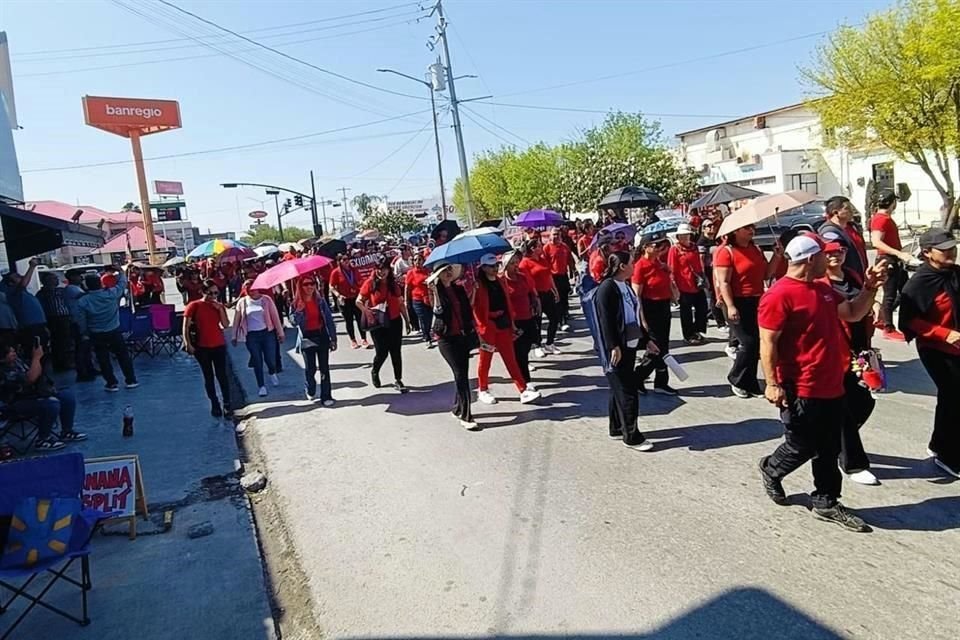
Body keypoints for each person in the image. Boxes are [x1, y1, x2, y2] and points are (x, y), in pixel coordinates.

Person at [757, 234, 885, 532]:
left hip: (833, 382)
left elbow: (853, 312)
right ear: (810, 260)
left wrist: (870, 287)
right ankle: (771, 468)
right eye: (823, 255)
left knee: (828, 447)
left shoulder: (823, 290)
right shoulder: (779, 295)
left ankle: (826, 500)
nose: (830, 260)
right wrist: (772, 383)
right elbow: (768, 342)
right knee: (802, 444)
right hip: (799, 386)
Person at [898, 228, 960, 478]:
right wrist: (944, 333)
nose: (951, 252)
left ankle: (939, 445)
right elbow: (909, 321)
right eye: (944, 248)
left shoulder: (955, 273)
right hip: (935, 348)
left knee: (953, 399)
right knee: (953, 397)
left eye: (953, 247)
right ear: (927, 253)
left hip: (957, 347)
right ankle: (948, 455)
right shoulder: (919, 282)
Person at [823, 241, 879, 486]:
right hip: (835, 349)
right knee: (844, 406)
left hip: (859, 344)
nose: (836, 255)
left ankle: (834, 439)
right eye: (830, 252)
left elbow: (862, 304)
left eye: (840, 251)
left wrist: (874, 301)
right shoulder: (819, 284)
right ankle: (853, 462)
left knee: (864, 401)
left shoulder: (853, 275)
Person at [594, 250, 659, 451]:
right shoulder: (607, 288)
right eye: (632, 262)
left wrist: (646, 340)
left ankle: (617, 427)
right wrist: (613, 346)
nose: (634, 265)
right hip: (617, 348)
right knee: (627, 391)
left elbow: (633, 316)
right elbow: (606, 321)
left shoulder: (626, 287)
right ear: (622, 266)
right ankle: (631, 436)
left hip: (630, 344)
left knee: (618, 389)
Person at [714, 224, 778, 398]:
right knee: (748, 343)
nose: (752, 231)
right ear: (736, 230)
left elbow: (766, 274)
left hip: (756, 299)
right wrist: (731, 305)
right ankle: (736, 378)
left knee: (757, 343)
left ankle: (750, 382)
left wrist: (777, 256)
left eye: (752, 228)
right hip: (736, 301)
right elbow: (724, 282)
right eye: (747, 228)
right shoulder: (726, 252)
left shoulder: (755, 249)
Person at [473, 254, 541, 405]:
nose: (494, 268)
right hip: (487, 328)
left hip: (503, 325)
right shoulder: (478, 285)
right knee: (485, 361)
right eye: (491, 266)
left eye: (496, 265)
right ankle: (483, 389)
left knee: (511, 360)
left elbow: (507, 304)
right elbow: (474, 307)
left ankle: (523, 390)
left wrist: (513, 325)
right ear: (483, 268)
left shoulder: (500, 281)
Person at [0, 338, 86, 450]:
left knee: (66, 396)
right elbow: (30, 378)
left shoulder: (17, 362)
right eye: (10, 352)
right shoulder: (3, 371)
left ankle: (66, 431)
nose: (14, 353)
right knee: (51, 404)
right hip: (13, 404)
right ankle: (43, 439)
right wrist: (37, 357)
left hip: (32, 395)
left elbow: (36, 373)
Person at [429, 263, 478, 429]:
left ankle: (458, 408)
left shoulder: (458, 289)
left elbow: (467, 308)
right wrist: (435, 292)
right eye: (444, 271)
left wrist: (475, 291)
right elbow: (438, 312)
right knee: (461, 375)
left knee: (462, 374)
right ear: (438, 276)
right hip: (447, 340)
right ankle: (467, 416)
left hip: (462, 336)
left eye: (450, 270)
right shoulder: (436, 293)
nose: (449, 273)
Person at [77, 267, 138, 392]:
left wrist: (84, 332)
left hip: (96, 333)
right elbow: (122, 283)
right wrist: (120, 271)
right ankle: (130, 380)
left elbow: (81, 320)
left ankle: (111, 383)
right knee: (123, 356)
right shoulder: (111, 294)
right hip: (114, 330)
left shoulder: (83, 301)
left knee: (103, 359)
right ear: (100, 283)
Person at [632, 232, 677, 395]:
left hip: (663, 306)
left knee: (664, 346)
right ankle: (637, 377)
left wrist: (669, 275)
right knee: (656, 348)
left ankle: (661, 382)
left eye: (662, 246)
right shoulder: (640, 266)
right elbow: (636, 296)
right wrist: (642, 319)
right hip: (649, 308)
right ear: (646, 247)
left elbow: (671, 289)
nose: (660, 249)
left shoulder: (660, 264)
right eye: (656, 246)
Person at [358, 255, 410, 392]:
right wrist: (367, 311)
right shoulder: (370, 283)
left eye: (384, 269)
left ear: (389, 270)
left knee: (396, 352)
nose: (382, 272)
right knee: (382, 352)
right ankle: (375, 371)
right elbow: (359, 301)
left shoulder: (394, 284)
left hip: (394, 321)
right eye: (379, 269)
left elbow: (400, 303)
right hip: (378, 323)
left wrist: (407, 320)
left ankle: (398, 380)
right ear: (375, 270)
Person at [183, 279, 232, 417]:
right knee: (208, 376)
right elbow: (185, 326)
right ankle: (215, 403)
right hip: (202, 346)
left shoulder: (218, 306)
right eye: (210, 293)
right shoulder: (194, 305)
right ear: (203, 292)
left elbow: (226, 324)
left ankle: (227, 404)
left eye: (216, 293)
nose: (213, 296)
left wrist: (220, 309)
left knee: (222, 375)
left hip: (218, 344)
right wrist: (188, 343)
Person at [870, 189, 912, 341]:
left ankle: (882, 316)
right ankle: (888, 327)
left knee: (906, 291)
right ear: (893, 203)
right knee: (890, 295)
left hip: (893, 259)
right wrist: (899, 253)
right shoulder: (882, 219)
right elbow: (876, 242)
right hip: (887, 260)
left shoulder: (883, 217)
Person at [232, 280, 284, 398]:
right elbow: (237, 320)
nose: (252, 292)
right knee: (257, 360)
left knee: (270, 358)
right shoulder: (242, 302)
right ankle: (261, 386)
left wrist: (280, 333)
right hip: (251, 336)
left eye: (253, 289)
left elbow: (275, 317)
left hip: (267, 333)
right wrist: (234, 336)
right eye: (249, 290)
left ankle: (272, 371)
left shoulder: (266, 300)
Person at [292, 276, 337, 405]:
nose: (310, 287)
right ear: (300, 287)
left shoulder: (320, 301)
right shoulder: (295, 303)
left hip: (321, 335)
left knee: (324, 368)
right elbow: (294, 322)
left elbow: (329, 320)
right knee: (310, 369)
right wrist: (299, 311)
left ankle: (326, 396)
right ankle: (310, 388)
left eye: (312, 283)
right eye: (306, 284)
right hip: (307, 337)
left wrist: (333, 339)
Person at [501, 249, 540, 389]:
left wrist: (536, 301)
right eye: (512, 263)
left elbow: (531, 291)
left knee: (528, 347)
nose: (515, 265)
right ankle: (525, 382)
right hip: (514, 321)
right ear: (505, 265)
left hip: (528, 317)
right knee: (520, 353)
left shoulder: (522, 276)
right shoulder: (502, 281)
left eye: (516, 262)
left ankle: (522, 376)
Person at [0, 259, 49, 360]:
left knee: (42, 353)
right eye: (17, 277)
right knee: (34, 354)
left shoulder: (24, 293)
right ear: (10, 283)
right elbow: (23, 284)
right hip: (29, 327)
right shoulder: (13, 293)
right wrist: (32, 267)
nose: (21, 277)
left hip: (38, 326)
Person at [668, 223, 708, 345]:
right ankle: (688, 334)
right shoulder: (674, 249)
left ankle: (697, 330)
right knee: (686, 313)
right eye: (682, 236)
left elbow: (698, 264)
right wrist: (674, 287)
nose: (685, 238)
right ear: (678, 237)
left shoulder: (694, 247)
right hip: (683, 285)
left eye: (687, 235)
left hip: (696, 284)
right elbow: (671, 269)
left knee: (702, 308)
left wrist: (703, 277)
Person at [520, 239, 560, 357]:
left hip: (547, 293)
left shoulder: (542, 260)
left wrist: (555, 290)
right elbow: (527, 282)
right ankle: (537, 345)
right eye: (539, 246)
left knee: (554, 318)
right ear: (533, 248)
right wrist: (535, 297)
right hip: (535, 296)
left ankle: (550, 343)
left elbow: (549, 276)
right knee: (537, 321)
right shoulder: (525, 263)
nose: (541, 247)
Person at [36, 271, 73, 371]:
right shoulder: (42, 294)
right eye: (54, 278)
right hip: (54, 319)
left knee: (66, 341)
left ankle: (66, 361)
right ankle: (60, 363)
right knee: (58, 342)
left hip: (65, 317)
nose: (56, 280)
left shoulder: (61, 290)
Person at [330, 253, 368, 349]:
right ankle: (353, 340)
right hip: (344, 300)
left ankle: (364, 339)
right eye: (344, 259)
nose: (347, 261)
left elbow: (361, 282)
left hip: (355, 298)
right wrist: (338, 295)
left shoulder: (354, 270)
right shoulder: (335, 272)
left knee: (360, 319)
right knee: (349, 320)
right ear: (339, 262)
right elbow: (331, 286)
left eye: (348, 259)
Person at [63, 271, 96, 382]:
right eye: (78, 276)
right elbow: (87, 294)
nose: (81, 277)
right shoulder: (71, 289)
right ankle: (82, 372)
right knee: (81, 348)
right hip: (77, 322)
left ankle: (90, 368)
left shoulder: (77, 288)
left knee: (87, 348)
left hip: (82, 320)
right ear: (72, 277)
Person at [697, 218, 727, 334]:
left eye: (713, 225)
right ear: (703, 228)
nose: (712, 227)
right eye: (709, 225)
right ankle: (720, 322)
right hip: (709, 272)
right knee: (714, 296)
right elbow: (701, 260)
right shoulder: (702, 242)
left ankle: (708, 315)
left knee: (717, 295)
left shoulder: (716, 240)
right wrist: (703, 276)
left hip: (718, 270)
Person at [544, 227, 575, 332]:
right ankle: (560, 321)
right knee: (557, 300)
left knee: (564, 298)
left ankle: (564, 317)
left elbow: (570, 260)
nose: (556, 236)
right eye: (554, 234)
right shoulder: (546, 248)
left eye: (557, 234)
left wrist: (572, 270)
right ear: (550, 235)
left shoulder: (564, 247)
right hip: (553, 277)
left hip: (563, 276)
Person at [405, 252, 434, 348]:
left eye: (419, 259)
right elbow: (407, 287)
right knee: (423, 318)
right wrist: (406, 300)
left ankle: (428, 332)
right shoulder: (411, 273)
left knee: (429, 318)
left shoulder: (427, 271)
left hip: (428, 298)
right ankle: (427, 338)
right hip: (417, 299)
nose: (417, 262)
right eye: (415, 260)